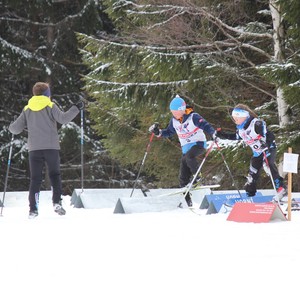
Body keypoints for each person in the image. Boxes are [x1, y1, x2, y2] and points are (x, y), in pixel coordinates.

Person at [9, 82, 83, 218]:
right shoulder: (50, 106)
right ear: (46, 94)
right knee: (54, 175)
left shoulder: (27, 108)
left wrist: (12, 124)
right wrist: (76, 108)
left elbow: (15, 129)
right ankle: (56, 203)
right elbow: (64, 119)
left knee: (35, 179)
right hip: (51, 147)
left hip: (34, 149)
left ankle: (33, 209)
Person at [149, 95, 217, 207]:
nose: (174, 114)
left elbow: (205, 125)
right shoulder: (174, 121)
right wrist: (158, 132)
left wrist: (213, 133)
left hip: (198, 144)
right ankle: (188, 204)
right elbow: (169, 132)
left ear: (181, 110)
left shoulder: (193, 117)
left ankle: (197, 177)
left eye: (175, 111)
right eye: (172, 112)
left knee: (189, 157)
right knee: (182, 178)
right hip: (186, 149)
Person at [216, 103, 287, 201]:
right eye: (233, 117)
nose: (235, 120)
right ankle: (250, 195)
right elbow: (236, 137)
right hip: (257, 153)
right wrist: (221, 134)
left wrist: (265, 142)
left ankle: (281, 189)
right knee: (252, 174)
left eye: (236, 117)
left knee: (268, 165)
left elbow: (267, 134)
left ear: (244, 116)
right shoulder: (241, 129)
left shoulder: (256, 123)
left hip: (268, 148)